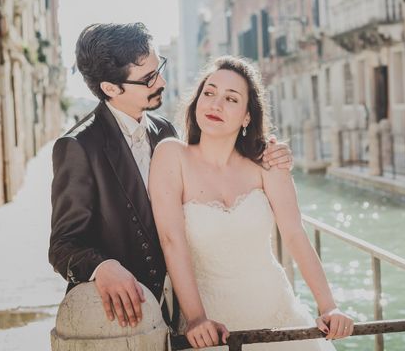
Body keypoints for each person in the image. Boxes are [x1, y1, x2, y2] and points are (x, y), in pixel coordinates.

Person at [48, 23, 293, 330]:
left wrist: (269, 153)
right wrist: (102, 266)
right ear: (111, 88)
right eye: (149, 78)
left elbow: (212, 168)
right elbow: (63, 245)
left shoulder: (166, 130)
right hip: (121, 322)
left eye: (158, 68)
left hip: (184, 310)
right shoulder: (77, 146)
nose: (161, 81)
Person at [149, 56, 354, 349]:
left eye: (231, 99)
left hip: (278, 315)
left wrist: (328, 306)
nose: (215, 104)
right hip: (212, 326)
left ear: (247, 116)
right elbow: (171, 240)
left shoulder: (267, 161)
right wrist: (196, 318)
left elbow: (295, 235)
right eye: (209, 93)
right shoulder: (171, 155)